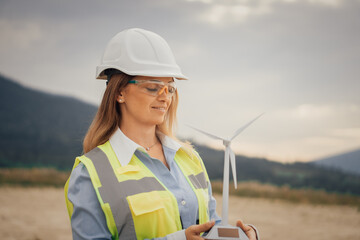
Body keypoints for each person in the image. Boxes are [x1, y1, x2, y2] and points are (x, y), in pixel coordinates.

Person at [64, 28, 259, 240]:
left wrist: (237, 236)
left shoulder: (190, 159)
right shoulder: (90, 174)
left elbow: (209, 226)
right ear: (120, 92)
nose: (165, 97)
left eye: (170, 88)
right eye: (152, 87)